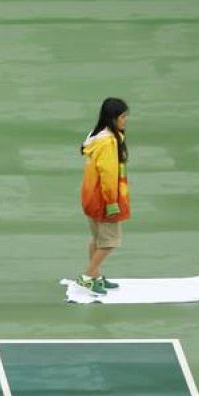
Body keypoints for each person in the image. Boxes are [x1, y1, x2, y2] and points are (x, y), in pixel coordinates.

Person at [79, 97, 130, 295]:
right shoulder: (109, 142)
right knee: (110, 241)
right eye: (123, 116)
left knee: (98, 239)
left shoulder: (96, 135)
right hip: (104, 198)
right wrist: (112, 202)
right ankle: (89, 276)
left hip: (90, 195)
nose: (125, 120)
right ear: (113, 118)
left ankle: (96, 276)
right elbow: (108, 174)